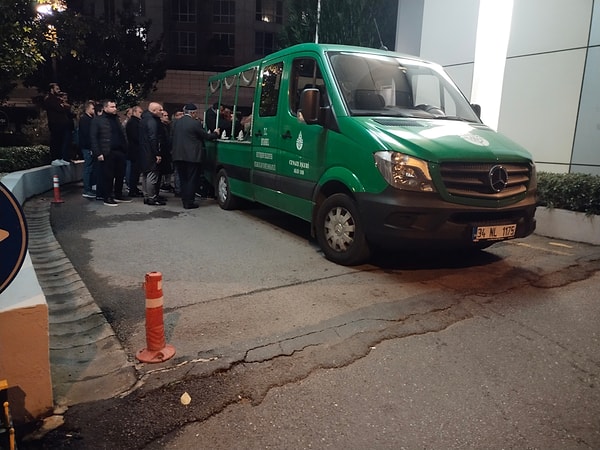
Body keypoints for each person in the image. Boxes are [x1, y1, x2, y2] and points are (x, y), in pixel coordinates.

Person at [171, 103, 219, 209]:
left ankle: (184, 200)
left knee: (183, 179)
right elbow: (206, 136)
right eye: (195, 113)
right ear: (192, 113)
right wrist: (215, 133)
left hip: (178, 155)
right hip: (192, 156)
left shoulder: (176, 123)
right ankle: (189, 202)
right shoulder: (195, 123)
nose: (196, 115)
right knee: (192, 179)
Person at [90, 99, 131, 206]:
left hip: (120, 151)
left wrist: (125, 147)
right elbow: (93, 138)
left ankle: (118, 194)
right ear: (105, 108)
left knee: (120, 175)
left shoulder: (116, 119)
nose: (115, 108)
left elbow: (122, 134)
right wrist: (98, 153)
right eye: (112, 107)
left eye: (115, 106)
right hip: (107, 152)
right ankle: (107, 196)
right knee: (108, 176)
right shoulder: (98, 120)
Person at [139, 102, 168, 206]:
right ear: (154, 111)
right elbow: (153, 138)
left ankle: (147, 196)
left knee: (146, 175)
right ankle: (152, 197)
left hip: (144, 151)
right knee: (152, 175)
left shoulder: (144, 119)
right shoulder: (152, 121)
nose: (162, 112)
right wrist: (157, 153)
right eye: (160, 110)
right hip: (151, 152)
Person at [43, 83, 72, 166]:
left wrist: (63, 106)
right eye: (57, 88)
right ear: (52, 89)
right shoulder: (49, 99)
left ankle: (60, 158)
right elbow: (60, 108)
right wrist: (62, 106)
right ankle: (55, 158)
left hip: (61, 124)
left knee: (60, 141)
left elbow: (66, 108)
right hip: (55, 124)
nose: (58, 90)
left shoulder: (57, 99)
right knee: (55, 141)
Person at [78, 100, 96, 198]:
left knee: (90, 168)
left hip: (88, 147)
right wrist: (90, 147)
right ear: (87, 108)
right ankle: (87, 189)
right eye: (92, 108)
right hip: (87, 147)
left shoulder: (89, 119)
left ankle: (90, 188)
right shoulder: (85, 119)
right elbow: (87, 135)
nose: (94, 110)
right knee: (88, 168)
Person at [125, 105, 144, 197]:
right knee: (134, 171)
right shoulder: (133, 122)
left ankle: (134, 188)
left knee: (136, 171)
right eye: (140, 112)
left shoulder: (135, 122)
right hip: (135, 150)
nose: (141, 114)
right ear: (134, 112)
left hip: (135, 150)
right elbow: (135, 137)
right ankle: (132, 189)